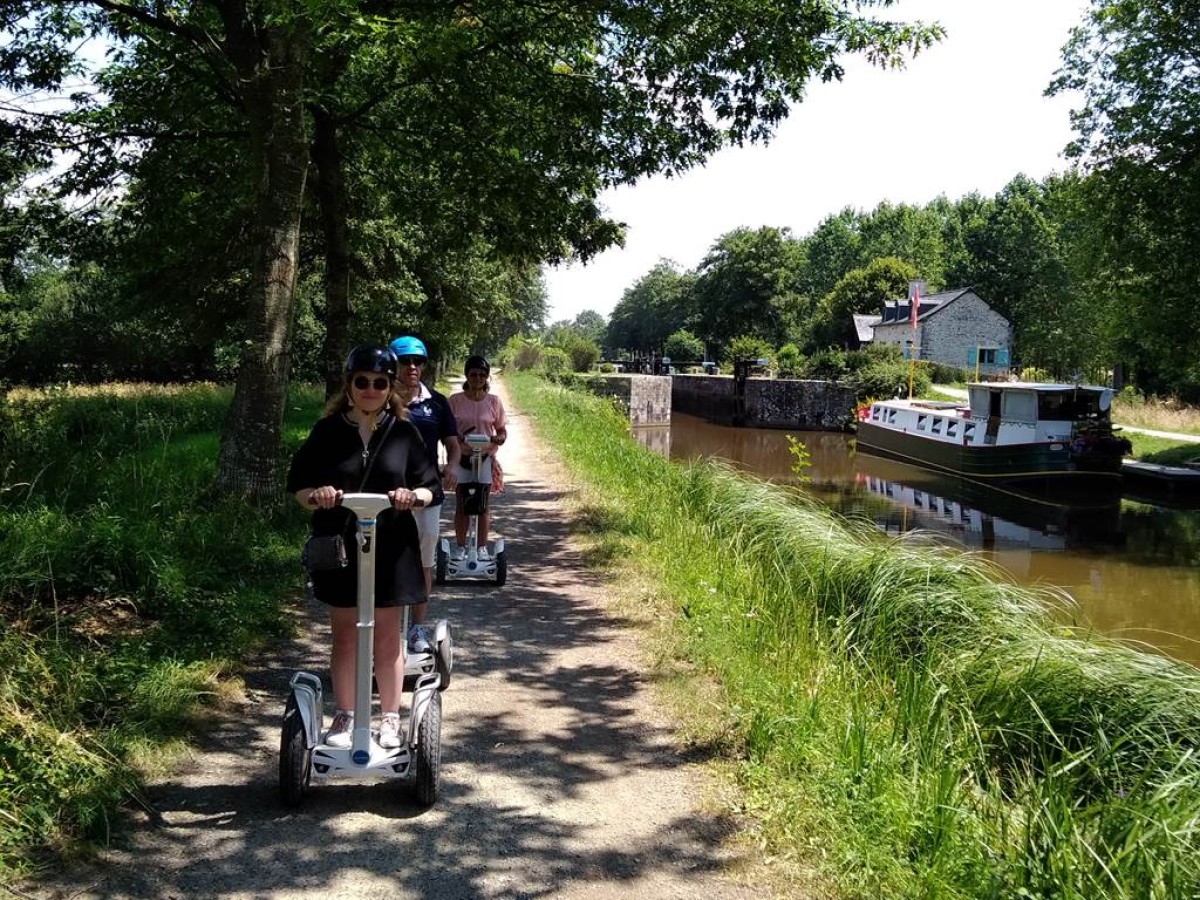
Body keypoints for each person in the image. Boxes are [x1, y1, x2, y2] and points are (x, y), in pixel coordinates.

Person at [285, 344, 442, 751]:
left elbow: (432, 486)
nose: (370, 389)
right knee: (345, 634)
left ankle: (390, 717)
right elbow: (298, 485)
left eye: (379, 382)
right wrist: (316, 495)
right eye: (362, 382)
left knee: (388, 635)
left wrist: (413, 496)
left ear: (389, 387)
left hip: (391, 547)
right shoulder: (327, 432)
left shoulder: (404, 432)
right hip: (341, 544)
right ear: (349, 385)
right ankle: (347, 713)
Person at [388, 335, 460, 653]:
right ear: (393, 364)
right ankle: (387, 630)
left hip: (427, 492)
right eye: (406, 361)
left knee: (424, 562)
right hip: (387, 494)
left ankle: (417, 628)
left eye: (419, 361)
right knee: (387, 560)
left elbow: (452, 444)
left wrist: (453, 466)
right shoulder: (381, 398)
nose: (413, 367)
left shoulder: (436, 402)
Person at [448, 355, 507, 560]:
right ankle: (460, 546)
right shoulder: (455, 401)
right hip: (462, 456)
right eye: (474, 374)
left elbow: (501, 429)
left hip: (484, 458)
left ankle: (482, 547)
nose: (478, 378)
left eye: (482, 375)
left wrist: (498, 438)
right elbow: (447, 431)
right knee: (462, 503)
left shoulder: (493, 401)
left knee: (483, 503)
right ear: (467, 375)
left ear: (487, 377)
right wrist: (457, 440)